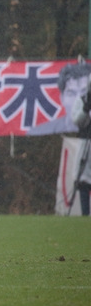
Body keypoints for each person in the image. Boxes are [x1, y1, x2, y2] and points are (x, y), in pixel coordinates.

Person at [27, 63, 91, 135]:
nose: (78, 99)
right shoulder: (38, 132)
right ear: (62, 98)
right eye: (71, 94)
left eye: (84, 92)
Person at [71, 84, 91, 216]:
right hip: (86, 143)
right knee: (83, 178)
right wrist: (85, 109)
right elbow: (76, 120)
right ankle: (85, 213)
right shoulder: (82, 100)